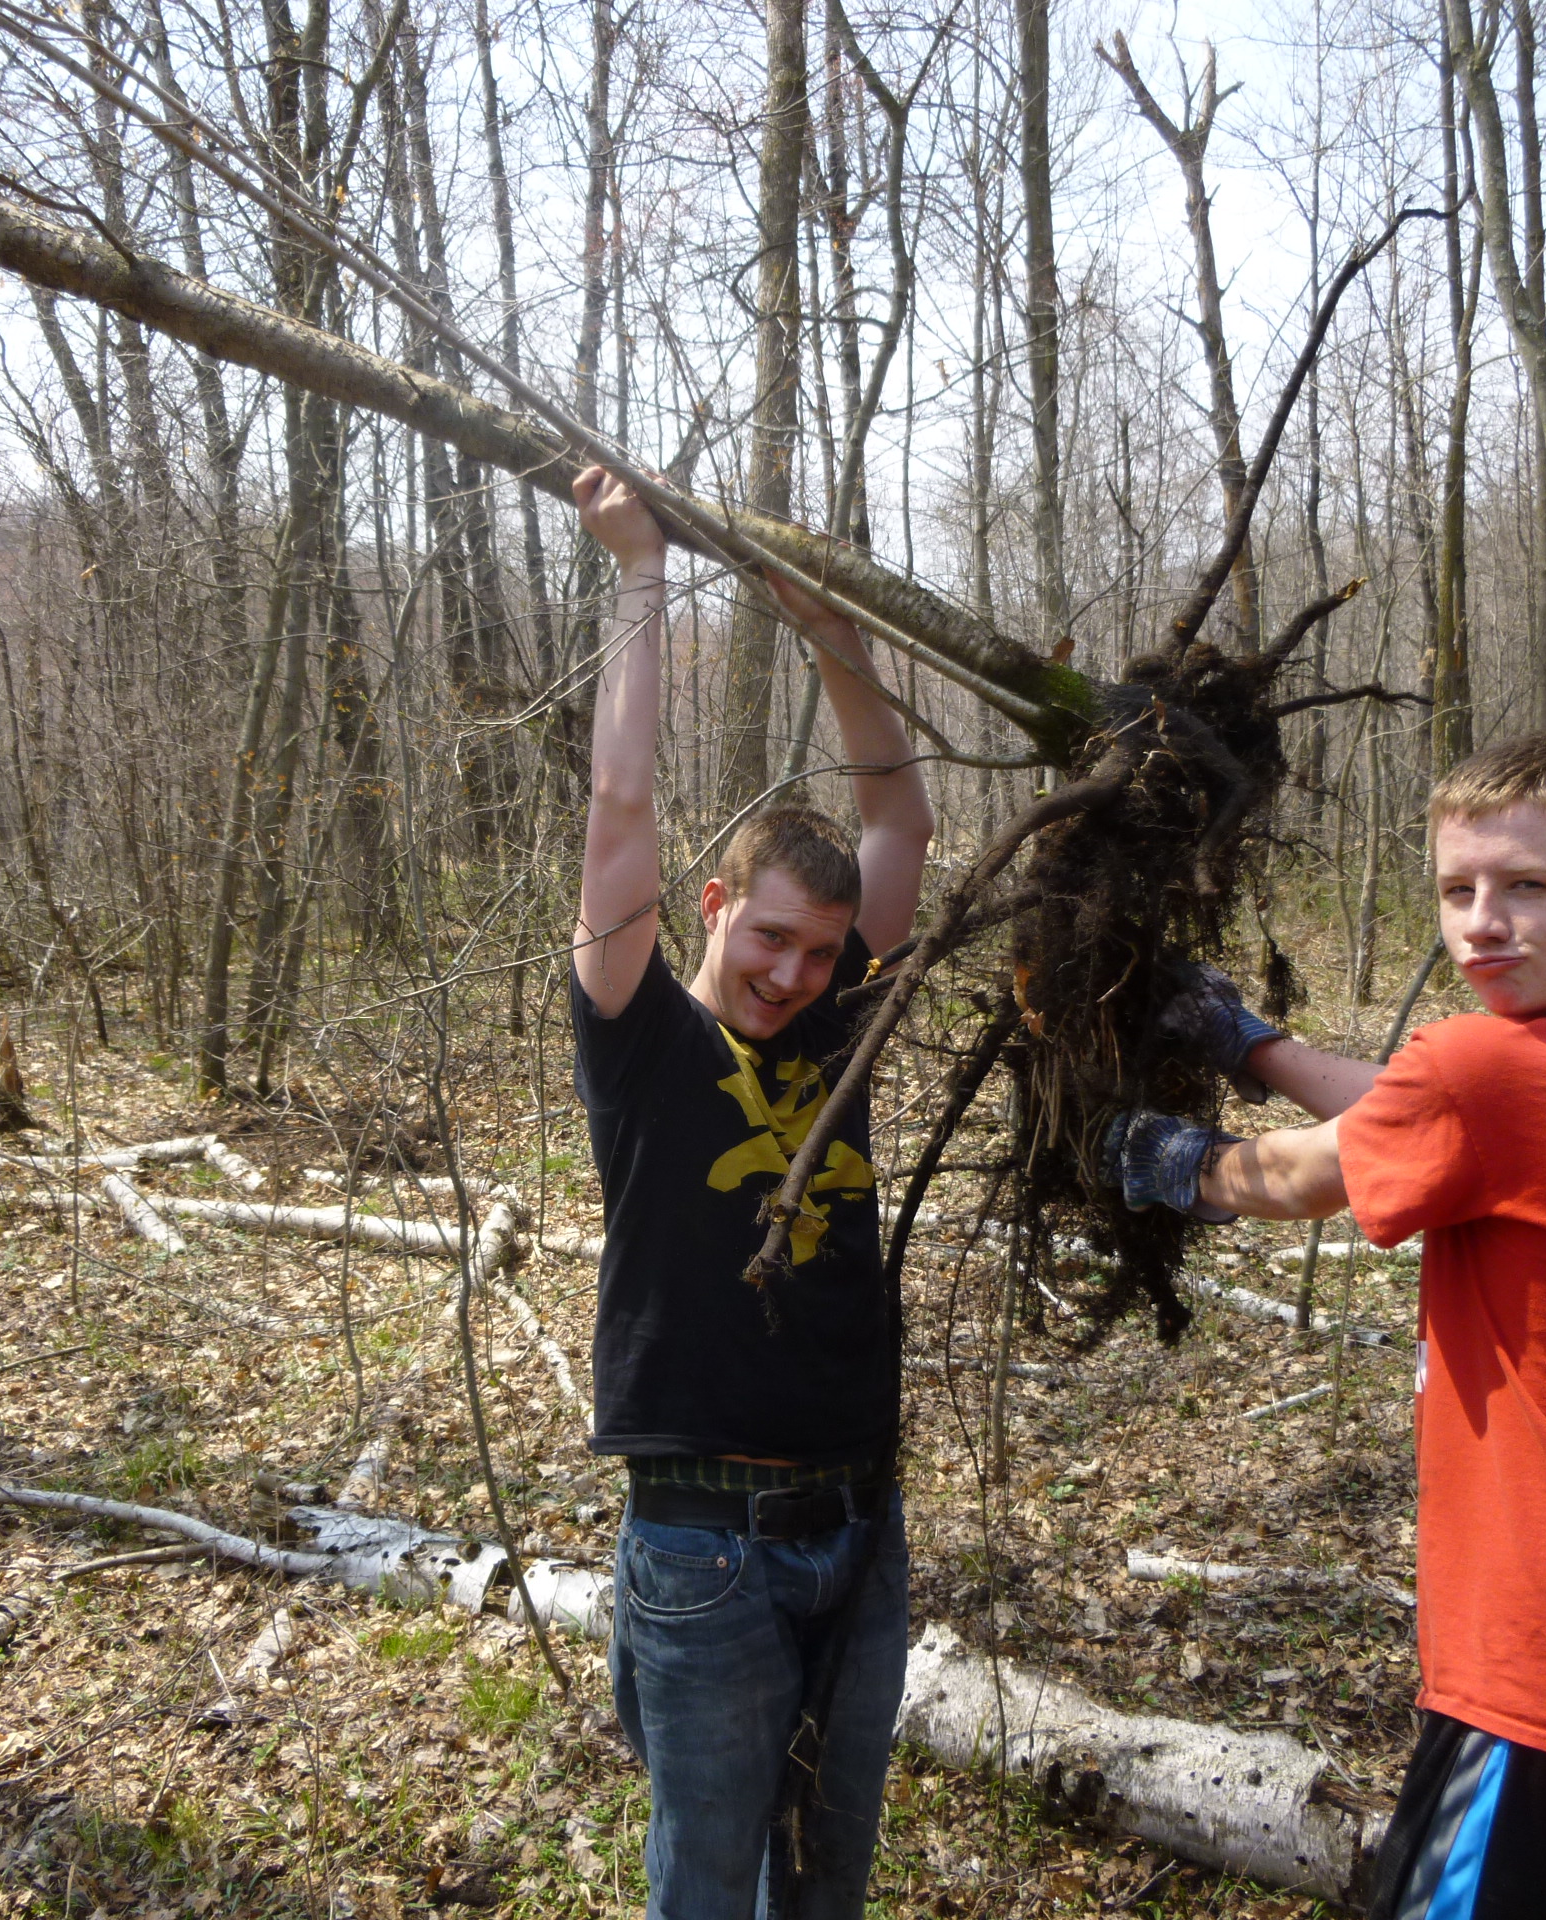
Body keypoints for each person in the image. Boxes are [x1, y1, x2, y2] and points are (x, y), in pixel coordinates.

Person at [1105, 730, 1546, 1920]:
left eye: (1526, 886)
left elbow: (1298, 1178)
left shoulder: (1489, 1072)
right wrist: (1254, 1047)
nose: (1482, 924)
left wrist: (1152, 1155)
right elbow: (1423, 1117)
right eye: (1456, 888)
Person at [566, 463, 934, 1920]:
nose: (793, 974)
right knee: (711, 1886)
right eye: (772, 938)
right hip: (703, 1537)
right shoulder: (640, 1033)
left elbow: (898, 821)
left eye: (821, 952)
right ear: (715, 908)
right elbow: (620, 802)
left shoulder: (841, 1020)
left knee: (827, 1881)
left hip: (859, 1520)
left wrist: (832, 635)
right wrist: (640, 575)